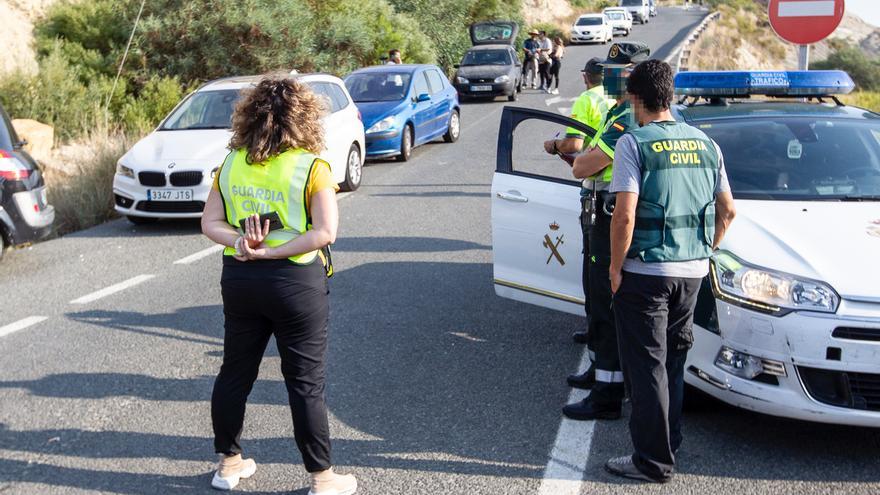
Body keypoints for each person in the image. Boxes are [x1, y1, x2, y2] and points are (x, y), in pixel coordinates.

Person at [201, 75, 357, 495]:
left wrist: (241, 243)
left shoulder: (231, 163)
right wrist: (272, 252)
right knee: (304, 381)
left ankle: (228, 466)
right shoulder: (312, 167)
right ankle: (323, 478)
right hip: (295, 281)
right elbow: (325, 233)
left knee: (235, 372)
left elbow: (209, 222)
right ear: (305, 118)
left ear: (248, 118)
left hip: (240, 277)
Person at [604, 59, 735, 483]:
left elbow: (623, 216)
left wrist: (615, 267)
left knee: (646, 366)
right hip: (693, 272)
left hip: (646, 272)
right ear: (671, 96)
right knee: (674, 362)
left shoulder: (634, 143)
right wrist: (704, 252)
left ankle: (652, 461)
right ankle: (669, 442)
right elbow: (728, 211)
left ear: (636, 99)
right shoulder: (706, 144)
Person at [562, 42, 649, 421]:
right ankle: (599, 371)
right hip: (598, 210)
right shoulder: (616, 110)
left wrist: (580, 163)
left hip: (609, 211)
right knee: (597, 298)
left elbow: (586, 165)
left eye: (616, 74)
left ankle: (608, 394)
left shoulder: (628, 117)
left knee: (607, 300)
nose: (607, 79)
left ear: (631, 77)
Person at [543, 57, 614, 351]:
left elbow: (573, 145)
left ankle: (596, 332)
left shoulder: (587, 99)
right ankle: (607, 328)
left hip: (597, 187)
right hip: (625, 190)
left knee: (593, 264)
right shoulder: (621, 101)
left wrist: (553, 146)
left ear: (587, 77)